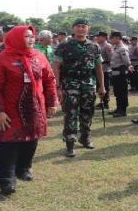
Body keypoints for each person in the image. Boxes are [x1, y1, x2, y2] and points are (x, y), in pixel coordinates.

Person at [0, 25, 59, 195]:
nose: (31, 39)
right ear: (16, 38)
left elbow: (49, 80)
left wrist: (52, 101)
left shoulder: (39, 57)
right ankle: (6, 180)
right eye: (26, 36)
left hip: (34, 108)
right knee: (7, 144)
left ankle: (23, 168)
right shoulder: (1, 58)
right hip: (9, 111)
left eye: (32, 36)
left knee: (31, 140)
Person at [53, 18, 105, 157]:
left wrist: (102, 86)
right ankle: (70, 142)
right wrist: (57, 86)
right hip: (70, 84)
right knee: (71, 113)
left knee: (87, 111)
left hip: (89, 84)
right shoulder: (63, 46)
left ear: (88, 28)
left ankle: (85, 137)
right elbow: (56, 67)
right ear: (73, 29)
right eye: (78, 26)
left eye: (84, 26)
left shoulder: (94, 46)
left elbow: (99, 67)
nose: (81, 29)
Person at [109, 31, 131, 117]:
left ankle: (123, 110)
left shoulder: (122, 48)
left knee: (122, 92)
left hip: (121, 73)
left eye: (112, 38)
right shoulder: (116, 47)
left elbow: (127, 62)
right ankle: (118, 108)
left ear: (117, 38)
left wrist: (126, 68)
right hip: (115, 73)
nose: (111, 40)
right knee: (117, 92)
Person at [95, 31, 112, 110]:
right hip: (98, 70)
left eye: (99, 36)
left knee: (105, 87)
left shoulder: (107, 46)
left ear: (104, 37)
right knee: (99, 87)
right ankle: (101, 101)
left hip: (105, 70)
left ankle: (106, 103)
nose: (97, 38)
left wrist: (102, 62)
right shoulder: (98, 45)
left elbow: (111, 59)